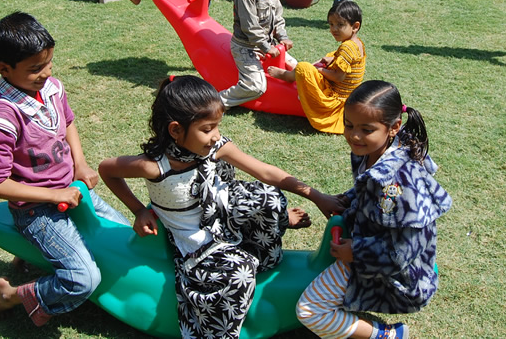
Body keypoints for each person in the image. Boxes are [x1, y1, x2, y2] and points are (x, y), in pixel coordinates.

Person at [98, 75, 342, 338]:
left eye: (217, 127)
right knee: (239, 271)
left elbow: (265, 172)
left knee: (270, 198)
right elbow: (107, 170)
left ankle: (264, 256)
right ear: (176, 130)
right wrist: (139, 210)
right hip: (193, 235)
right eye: (207, 129)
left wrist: (316, 196)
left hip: (220, 209)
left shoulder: (215, 147)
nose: (215, 136)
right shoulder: (154, 166)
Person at [0, 11, 129, 326]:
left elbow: (69, 122)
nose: (46, 72)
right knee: (82, 279)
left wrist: (81, 165)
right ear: (4, 69)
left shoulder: (52, 89)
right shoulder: (3, 118)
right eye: (36, 69)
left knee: (124, 239)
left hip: (73, 193)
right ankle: (11, 296)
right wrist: (51, 196)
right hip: (37, 210)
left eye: (48, 63)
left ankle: (34, 254)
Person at [296, 80, 452, 339]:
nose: (354, 136)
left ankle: (388, 335)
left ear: (394, 128)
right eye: (348, 125)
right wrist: (346, 200)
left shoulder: (398, 183)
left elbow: (402, 252)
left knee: (311, 310)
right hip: (372, 247)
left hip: (396, 273)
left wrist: (356, 252)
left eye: (366, 129)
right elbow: (368, 193)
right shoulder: (375, 152)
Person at [267, 0, 366, 134]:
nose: (334, 29)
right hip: (348, 97)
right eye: (331, 24)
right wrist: (332, 58)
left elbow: (339, 77)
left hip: (335, 101)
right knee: (330, 56)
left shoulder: (347, 47)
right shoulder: (356, 43)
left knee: (304, 67)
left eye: (340, 25)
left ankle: (289, 76)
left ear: (355, 26)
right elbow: (350, 61)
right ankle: (295, 71)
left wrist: (318, 70)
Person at [219, 0, 295, 109]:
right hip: (247, 47)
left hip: (268, 45)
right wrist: (266, 47)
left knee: (297, 69)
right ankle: (217, 102)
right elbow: (250, 27)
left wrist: (283, 37)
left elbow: (278, 18)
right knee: (256, 86)